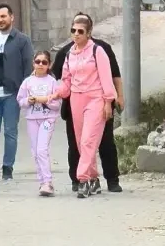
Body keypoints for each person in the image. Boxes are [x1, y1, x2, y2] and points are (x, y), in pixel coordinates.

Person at [52, 12, 124, 193]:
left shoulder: (98, 50)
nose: (76, 34)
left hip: (96, 98)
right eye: (73, 30)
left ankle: (83, 178)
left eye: (80, 31)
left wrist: (110, 101)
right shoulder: (68, 54)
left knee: (88, 141)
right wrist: (55, 92)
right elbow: (65, 80)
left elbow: (108, 77)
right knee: (79, 142)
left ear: (89, 33)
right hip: (76, 99)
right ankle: (93, 178)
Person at [0, 3, 33, 180]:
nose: (0, 20)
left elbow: (28, 67)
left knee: (10, 131)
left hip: (13, 93)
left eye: (3, 16)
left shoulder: (22, 40)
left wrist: (25, 91)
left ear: (11, 17)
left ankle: (7, 167)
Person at [16, 51, 61, 196]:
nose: (40, 65)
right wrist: (27, 101)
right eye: (38, 62)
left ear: (49, 65)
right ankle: (42, 182)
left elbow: (57, 103)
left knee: (42, 149)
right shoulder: (27, 82)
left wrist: (44, 100)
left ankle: (48, 182)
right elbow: (20, 100)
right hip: (32, 118)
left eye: (44, 62)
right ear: (33, 63)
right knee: (35, 151)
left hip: (47, 119)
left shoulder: (52, 82)